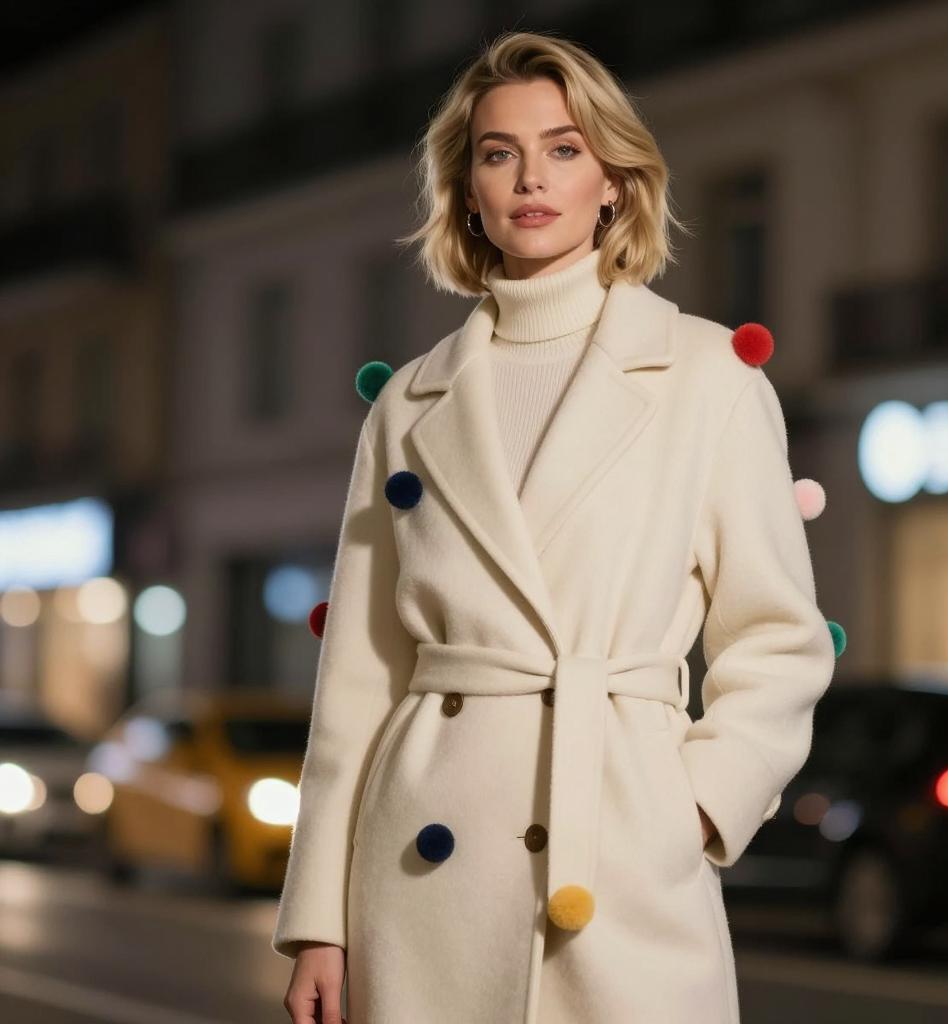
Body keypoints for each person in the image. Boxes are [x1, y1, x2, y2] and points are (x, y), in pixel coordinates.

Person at [279, 29, 838, 1024]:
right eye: (499, 153)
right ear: (467, 189)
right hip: (422, 880)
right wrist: (318, 915)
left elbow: (777, 638)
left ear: (615, 180)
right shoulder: (408, 402)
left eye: (564, 148)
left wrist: (694, 807)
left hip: (625, 853)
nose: (531, 176)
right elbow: (358, 679)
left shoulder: (706, 375)